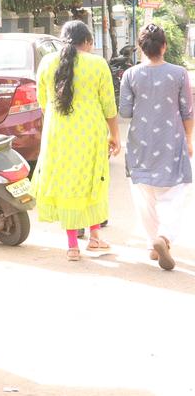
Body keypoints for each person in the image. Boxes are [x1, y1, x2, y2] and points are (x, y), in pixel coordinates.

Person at [31, 21, 121, 261]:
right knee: (94, 180)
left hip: (57, 131)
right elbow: (109, 106)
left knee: (67, 182)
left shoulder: (48, 62)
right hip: (90, 131)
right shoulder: (97, 64)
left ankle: (72, 246)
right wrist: (115, 135)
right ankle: (94, 238)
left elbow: (42, 101)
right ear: (88, 42)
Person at [118, 24, 193, 271]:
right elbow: (187, 111)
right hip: (172, 141)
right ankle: (165, 237)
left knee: (144, 195)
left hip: (140, 143)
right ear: (164, 46)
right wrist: (189, 139)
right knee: (175, 192)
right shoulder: (180, 73)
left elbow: (125, 112)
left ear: (141, 48)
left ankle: (153, 243)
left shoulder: (130, 75)